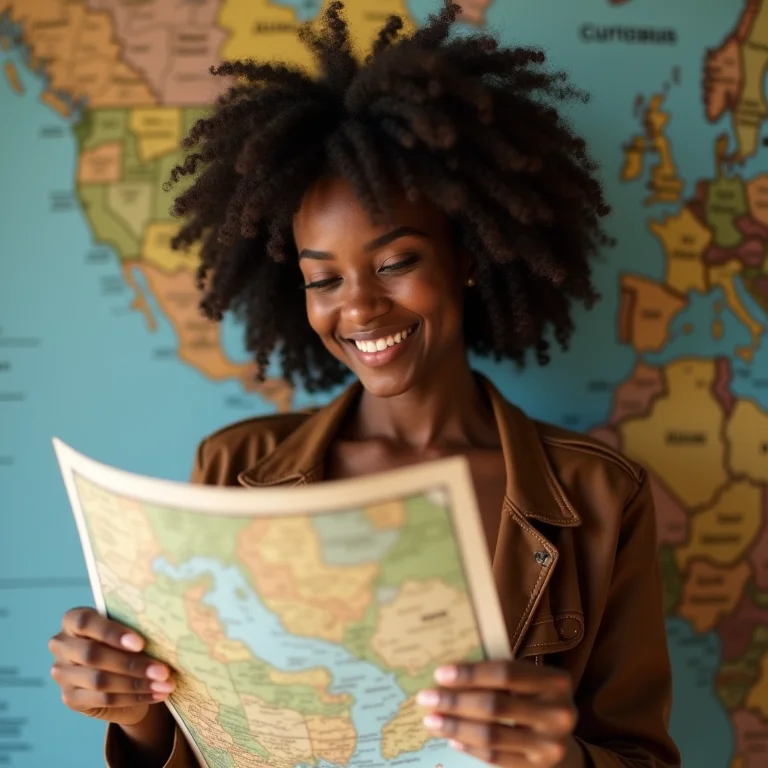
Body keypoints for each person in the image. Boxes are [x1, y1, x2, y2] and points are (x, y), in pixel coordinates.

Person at [48, 3, 681, 767]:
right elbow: (201, 742)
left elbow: (641, 755)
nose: (359, 307)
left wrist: (561, 757)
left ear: (469, 256)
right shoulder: (230, 474)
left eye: (396, 262)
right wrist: (134, 711)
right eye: (323, 279)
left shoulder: (600, 499)